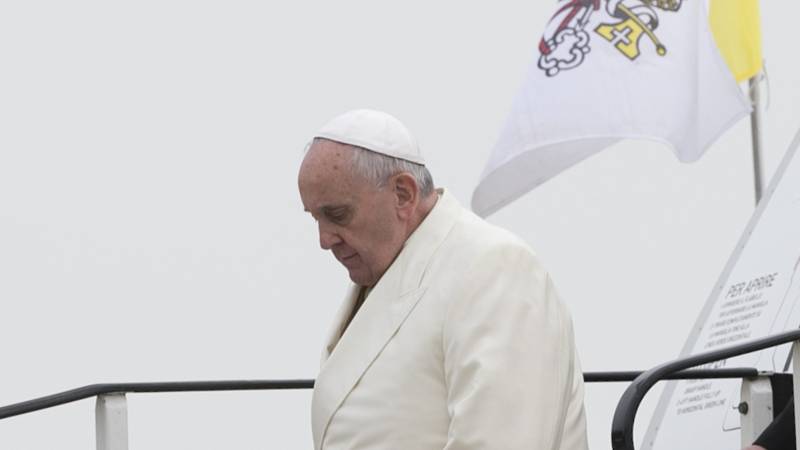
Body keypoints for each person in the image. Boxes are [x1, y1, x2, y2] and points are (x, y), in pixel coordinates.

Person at [298, 109, 588, 450]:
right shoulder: (392, 272)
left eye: (337, 214)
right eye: (315, 217)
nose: (324, 239)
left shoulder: (494, 267)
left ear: (403, 194)